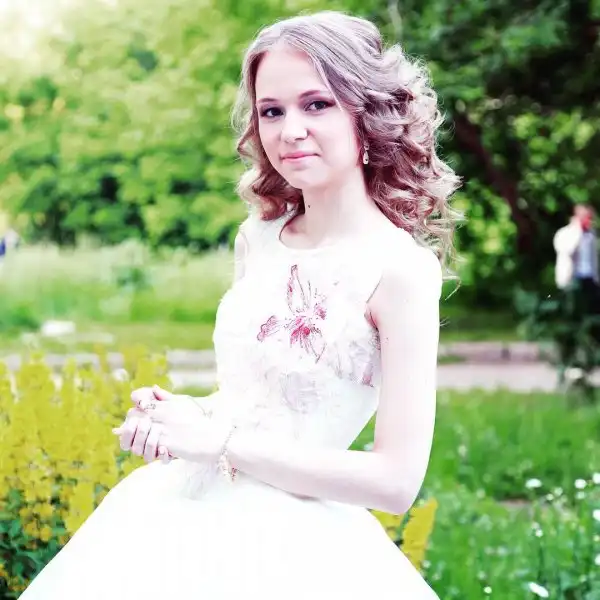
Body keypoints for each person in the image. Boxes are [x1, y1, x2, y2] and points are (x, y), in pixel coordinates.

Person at [20, 11, 460, 600]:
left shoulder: (400, 269)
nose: (290, 130)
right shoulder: (257, 238)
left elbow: (395, 481)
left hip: (294, 544)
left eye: (316, 104)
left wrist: (221, 443)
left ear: (367, 114)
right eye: (271, 111)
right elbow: (254, 400)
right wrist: (186, 417)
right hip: (181, 514)